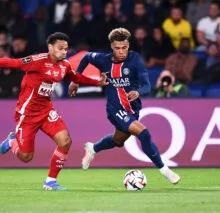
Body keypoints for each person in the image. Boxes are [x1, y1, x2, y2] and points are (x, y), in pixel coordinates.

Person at [0, 32, 108, 190]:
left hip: (46, 111)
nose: (64, 52)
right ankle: (12, 141)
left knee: (65, 141)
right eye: (60, 48)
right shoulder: (37, 61)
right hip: (27, 114)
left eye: (66, 49)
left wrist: (97, 82)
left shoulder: (64, 66)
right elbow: (13, 63)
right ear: (50, 47)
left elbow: (75, 76)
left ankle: (50, 182)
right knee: (26, 157)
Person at [68, 28, 181, 184]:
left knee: (118, 140)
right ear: (111, 47)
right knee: (144, 134)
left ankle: (92, 148)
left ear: (128, 45)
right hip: (114, 109)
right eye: (117, 48)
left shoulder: (135, 60)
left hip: (132, 110)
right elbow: (86, 57)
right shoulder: (103, 60)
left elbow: (147, 86)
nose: (121, 52)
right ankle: (165, 170)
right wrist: (75, 80)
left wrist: (138, 92)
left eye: (124, 48)